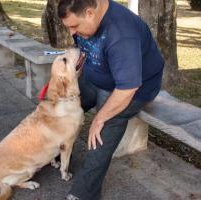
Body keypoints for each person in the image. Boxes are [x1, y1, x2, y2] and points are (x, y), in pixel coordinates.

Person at [57, 0, 165, 199]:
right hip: (97, 77)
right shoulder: (87, 19)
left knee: (102, 130)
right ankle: (54, 151)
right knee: (60, 107)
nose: (72, 32)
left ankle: (83, 194)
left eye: (74, 26)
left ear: (90, 13)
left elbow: (127, 88)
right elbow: (86, 51)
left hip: (131, 89)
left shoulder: (121, 34)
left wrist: (99, 118)